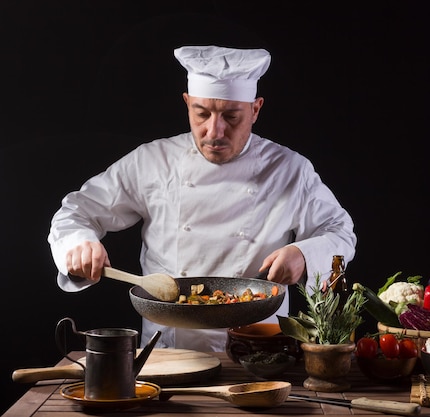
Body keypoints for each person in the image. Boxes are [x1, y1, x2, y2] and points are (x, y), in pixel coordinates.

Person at [48, 45, 357, 352]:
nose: (214, 130)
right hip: (167, 354)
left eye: (231, 116)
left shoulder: (290, 169)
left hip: (259, 355)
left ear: (255, 109)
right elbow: (76, 211)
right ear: (187, 103)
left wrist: (304, 255)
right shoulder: (153, 162)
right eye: (202, 113)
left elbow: (340, 233)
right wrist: (78, 242)